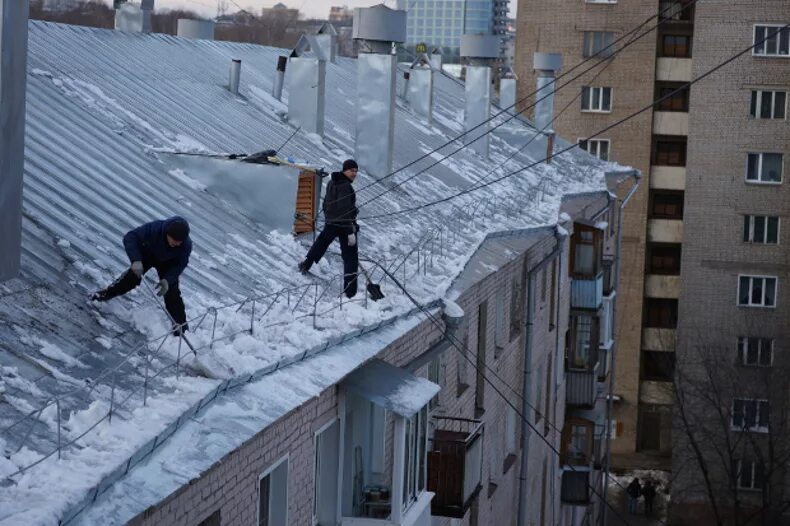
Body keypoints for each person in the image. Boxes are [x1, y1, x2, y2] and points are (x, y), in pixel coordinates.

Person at [92, 216, 192, 334]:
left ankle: (181, 328)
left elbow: (180, 265)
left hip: (169, 264)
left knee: (172, 293)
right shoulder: (155, 228)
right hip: (148, 255)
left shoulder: (186, 245)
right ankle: (105, 294)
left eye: (180, 242)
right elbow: (130, 237)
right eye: (174, 240)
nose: (177, 244)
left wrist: (168, 280)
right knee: (131, 279)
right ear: (167, 233)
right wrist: (136, 260)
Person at [299, 159, 359, 298]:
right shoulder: (345, 186)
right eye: (351, 171)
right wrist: (350, 231)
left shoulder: (333, 181)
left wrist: (329, 218)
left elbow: (326, 203)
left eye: (356, 171)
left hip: (331, 222)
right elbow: (344, 210)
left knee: (321, 243)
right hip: (344, 226)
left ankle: (306, 264)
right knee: (351, 258)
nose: (354, 174)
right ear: (345, 170)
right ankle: (350, 292)